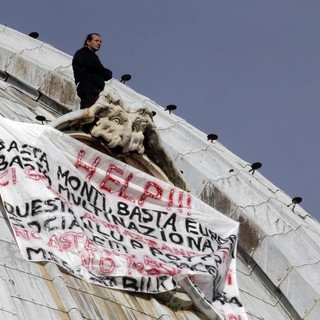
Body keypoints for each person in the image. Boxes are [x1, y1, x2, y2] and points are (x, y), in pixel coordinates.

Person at [72, 33, 113, 109]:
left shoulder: (92, 55)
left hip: (94, 90)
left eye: (100, 42)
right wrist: (104, 72)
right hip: (87, 87)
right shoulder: (83, 53)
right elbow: (95, 67)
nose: (99, 43)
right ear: (88, 42)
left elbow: (100, 70)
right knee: (88, 112)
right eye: (96, 40)